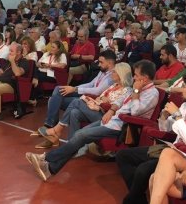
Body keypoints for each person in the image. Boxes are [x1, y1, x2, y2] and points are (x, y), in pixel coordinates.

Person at [25, 60, 159, 181]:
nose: (134, 77)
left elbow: (135, 112)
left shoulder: (151, 93)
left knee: (81, 135)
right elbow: (119, 101)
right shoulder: (135, 89)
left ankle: (46, 159)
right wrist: (112, 110)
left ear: (145, 78)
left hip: (124, 127)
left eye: (136, 75)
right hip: (113, 119)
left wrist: (136, 90)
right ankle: (49, 169)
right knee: (79, 134)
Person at [115, 71, 186, 204]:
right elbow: (165, 129)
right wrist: (163, 117)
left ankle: (132, 199)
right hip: (171, 147)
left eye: (184, 86)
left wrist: (178, 115)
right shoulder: (185, 105)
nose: (180, 90)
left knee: (143, 170)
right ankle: (138, 198)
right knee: (123, 155)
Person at [37, 62, 133, 146]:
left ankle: (57, 129)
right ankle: (72, 145)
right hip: (97, 109)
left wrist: (104, 101)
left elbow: (118, 106)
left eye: (114, 72)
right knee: (74, 112)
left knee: (77, 101)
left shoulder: (127, 90)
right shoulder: (113, 86)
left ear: (121, 74)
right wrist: (102, 99)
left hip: (106, 116)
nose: (112, 73)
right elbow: (100, 97)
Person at [38, 50, 116, 137]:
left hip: (94, 101)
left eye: (101, 62)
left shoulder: (112, 76)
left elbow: (98, 91)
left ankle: (52, 127)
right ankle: (50, 125)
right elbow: (91, 84)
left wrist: (75, 89)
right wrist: (74, 88)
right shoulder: (102, 71)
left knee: (56, 100)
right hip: (87, 96)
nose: (99, 64)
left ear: (109, 63)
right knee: (58, 91)